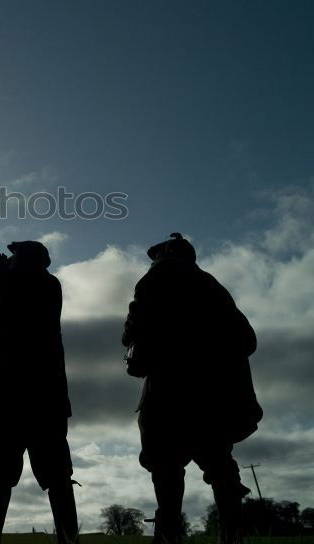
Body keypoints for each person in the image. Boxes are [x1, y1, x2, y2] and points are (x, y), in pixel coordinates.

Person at [122, 233, 262, 544]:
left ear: (169, 254)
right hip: (216, 394)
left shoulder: (158, 275)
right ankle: (232, 535)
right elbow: (247, 340)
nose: (154, 261)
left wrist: (135, 345)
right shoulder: (214, 287)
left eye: (158, 254)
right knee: (219, 463)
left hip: (171, 389)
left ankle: (170, 534)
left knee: (165, 463)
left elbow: (136, 321)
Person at [0, 223, 78, 544]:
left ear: (22, 262)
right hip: (49, 397)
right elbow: (14, 283)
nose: (8, 259)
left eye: (14, 256)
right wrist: (3, 265)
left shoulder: (7, 282)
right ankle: (69, 539)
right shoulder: (51, 285)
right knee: (58, 476)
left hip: (10, 397)